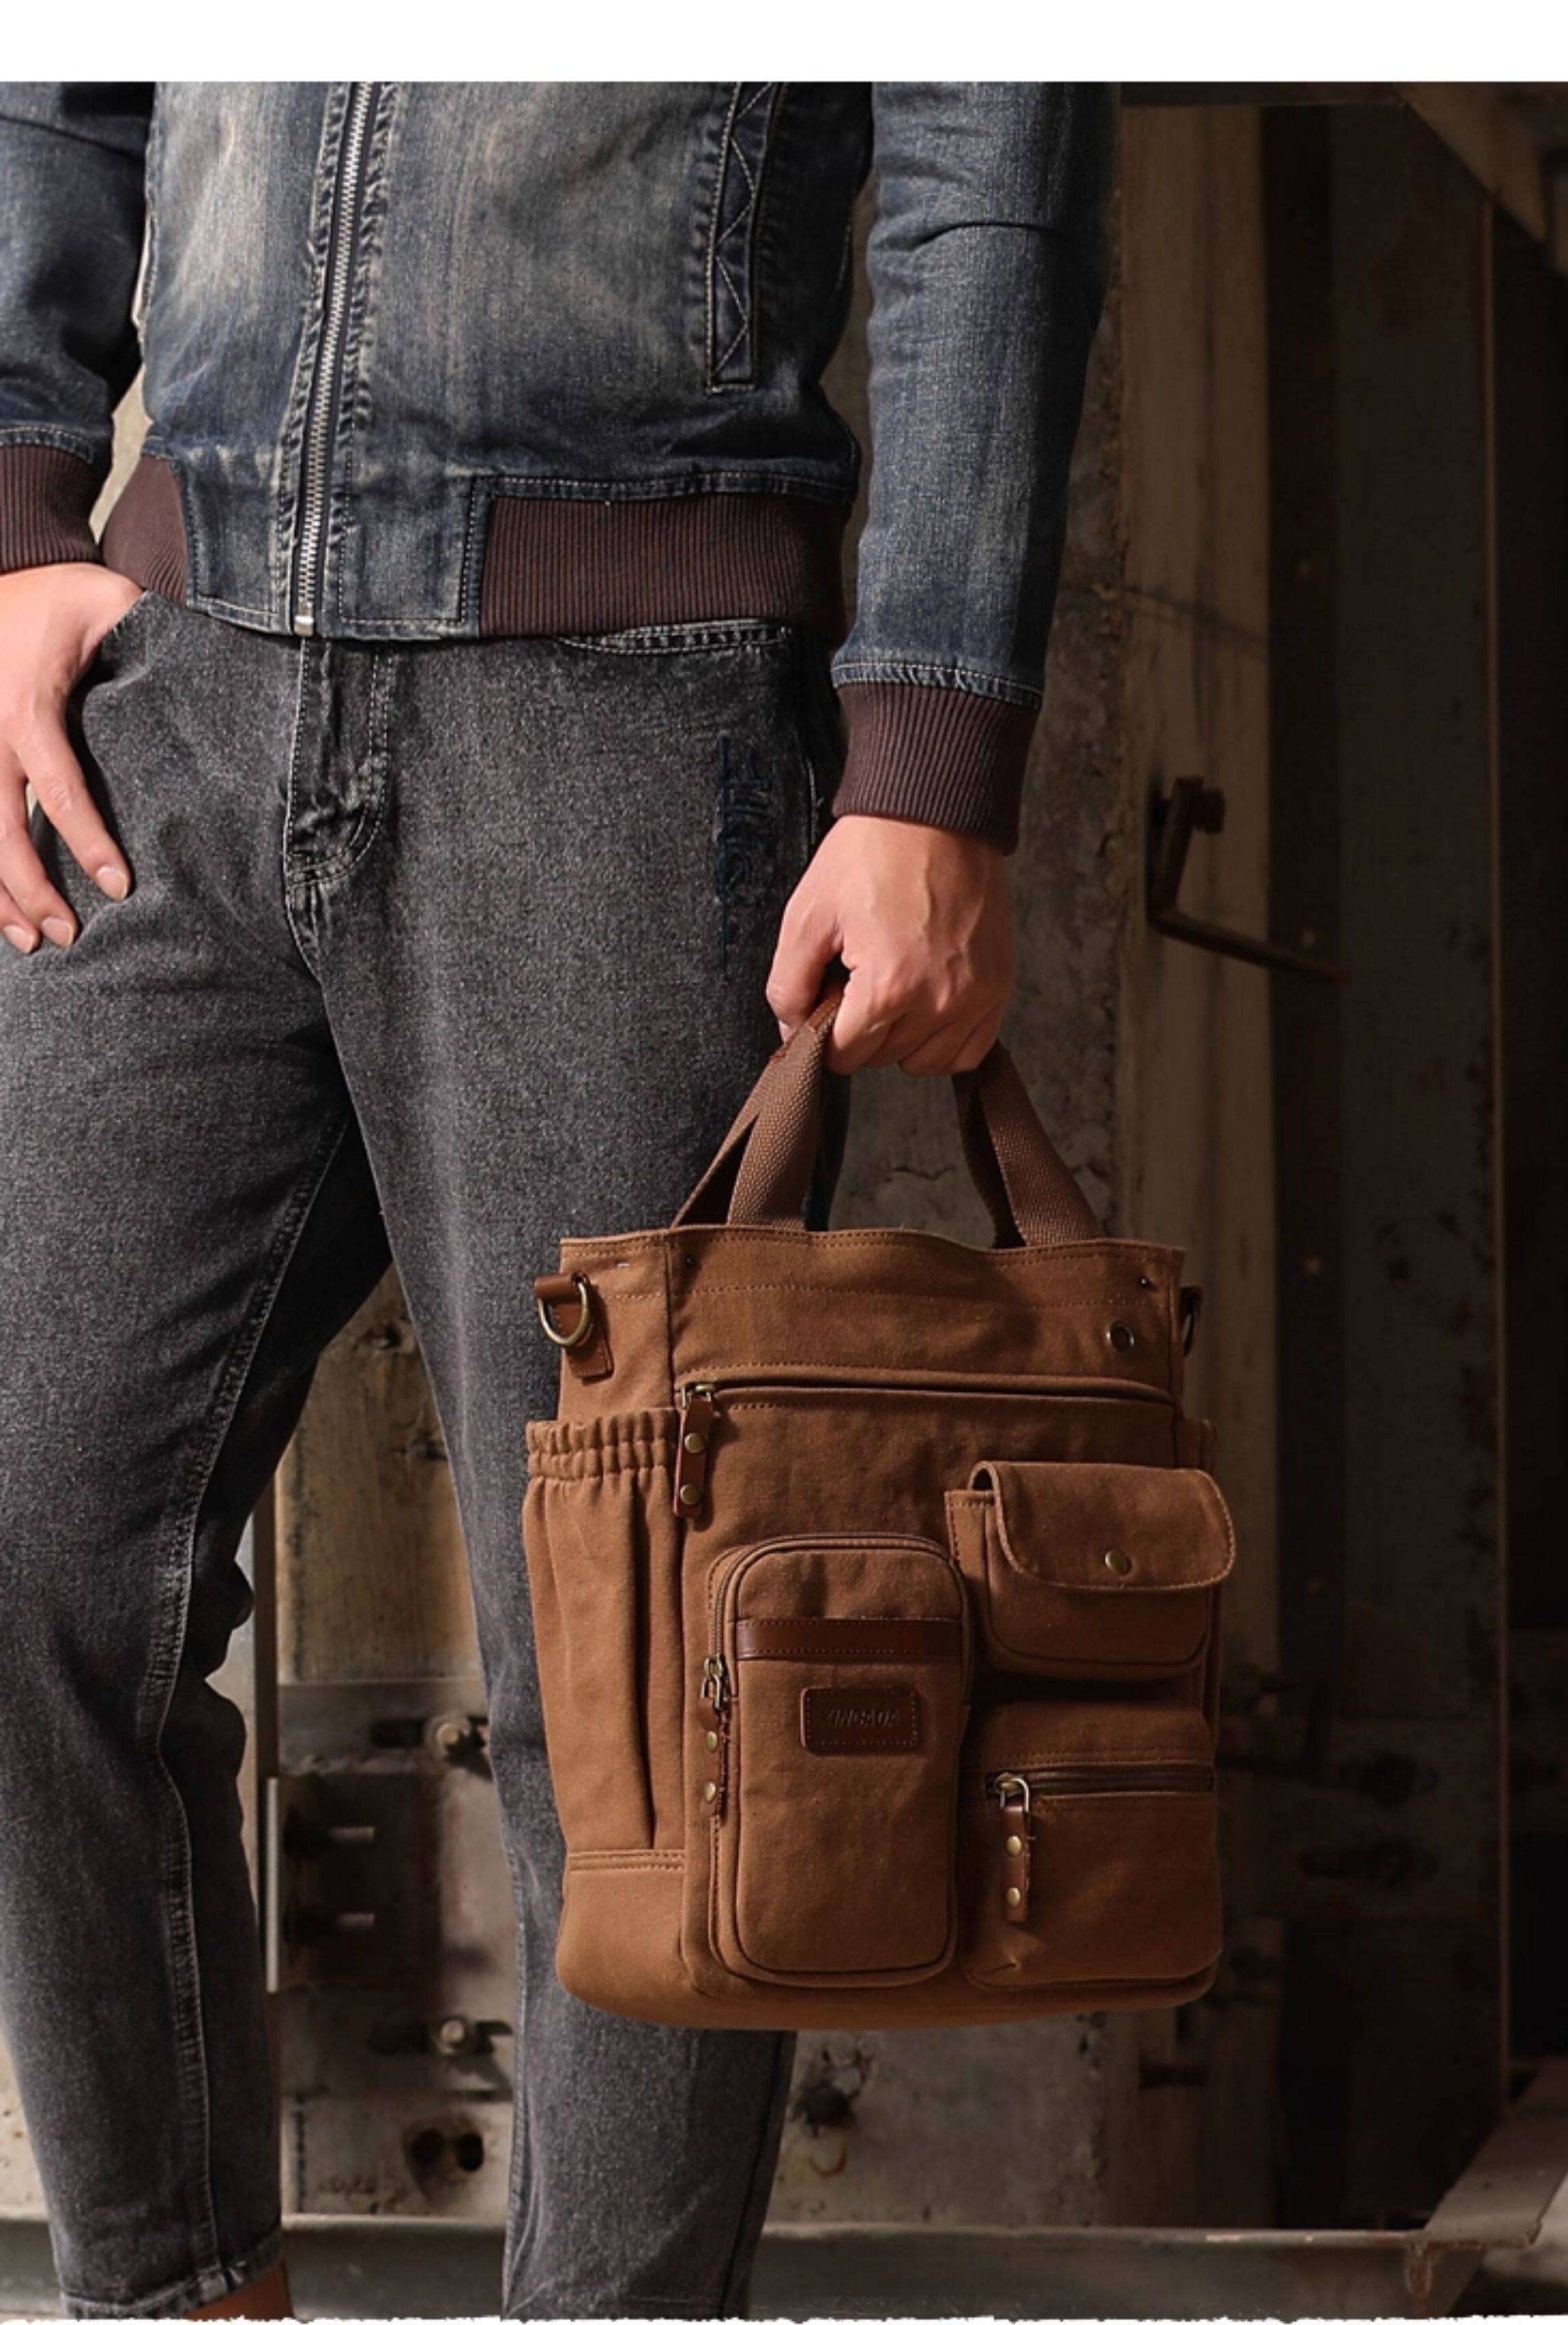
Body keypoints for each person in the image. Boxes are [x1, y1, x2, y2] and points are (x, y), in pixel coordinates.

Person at [0, 82, 1114, 2321]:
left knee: (643, 1687)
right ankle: (173, 2297)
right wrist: (18, 500)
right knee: (29, 1552)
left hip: (625, 712)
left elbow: (991, 165)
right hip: (180, 703)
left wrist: (932, 740)